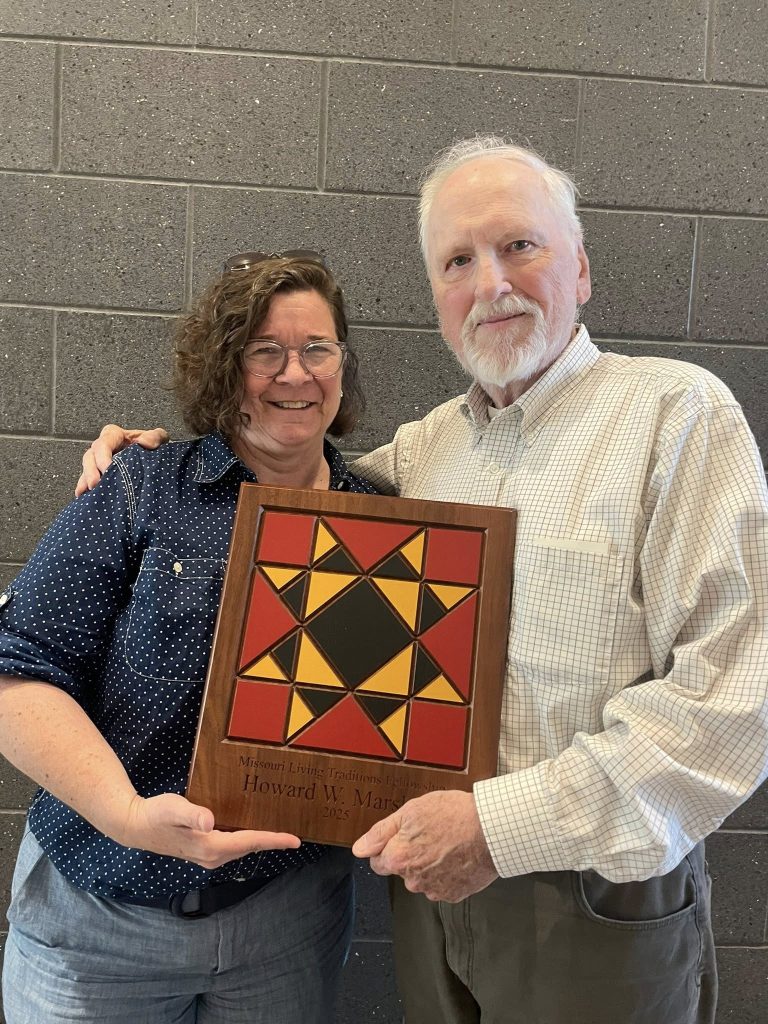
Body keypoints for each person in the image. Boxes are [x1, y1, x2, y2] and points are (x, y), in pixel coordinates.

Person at [74, 138, 768, 1024]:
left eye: (521, 246)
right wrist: (158, 462)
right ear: (438, 296)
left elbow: (732, 708)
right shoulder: (430, 448)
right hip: (426, 891)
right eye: (458, 261)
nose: (492, 284)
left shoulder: (677, 415)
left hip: (590, 900)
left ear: (583, 268)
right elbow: (288, 485)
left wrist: (498, 827)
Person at [0, 251, 378, 1024]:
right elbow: (16, 670)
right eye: (263, 352)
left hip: (287, 925)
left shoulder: (381, 521)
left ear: (343, 364)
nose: (295, 374)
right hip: (98, 919)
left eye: (317, 349)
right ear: (224, 368)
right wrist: (128, 814)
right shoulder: (141, 488)